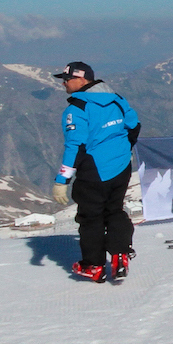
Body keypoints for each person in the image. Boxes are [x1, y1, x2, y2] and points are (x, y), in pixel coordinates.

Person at [52, 62, 142, 283]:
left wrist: (62, 180)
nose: (63, 83)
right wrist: (121, 150)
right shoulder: (117, 99)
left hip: (94, 170)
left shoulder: (77, 109)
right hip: (121, 166)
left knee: (91, 217)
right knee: (114, 210)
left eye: (67, 79)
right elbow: (134, 125)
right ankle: (120, 254)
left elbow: (75, 146)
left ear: (82, 80)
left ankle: (93, 266)